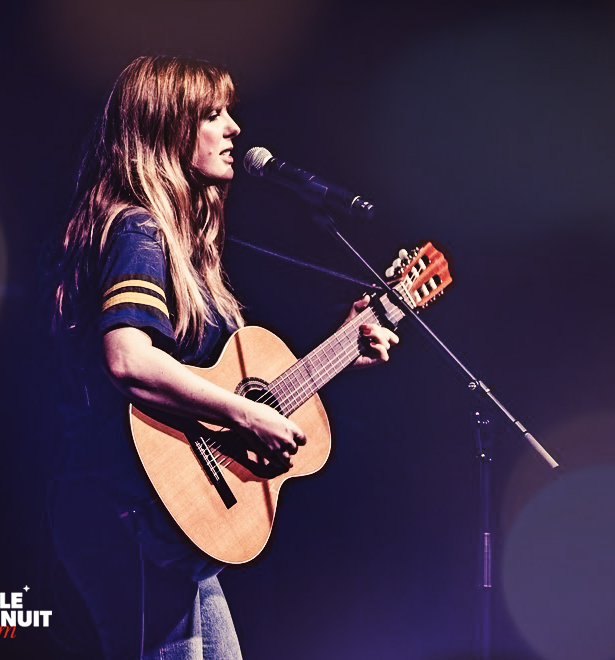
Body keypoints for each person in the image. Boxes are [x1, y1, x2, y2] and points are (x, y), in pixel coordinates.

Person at [49, 55, 397, 659]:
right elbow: (129, 359)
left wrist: (344, 348)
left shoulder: (185, 250)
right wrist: (245, 415)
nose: (235, 127)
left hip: (163, 520)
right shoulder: (139, 230)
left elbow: (227, 392)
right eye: (213, 115)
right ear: (166, 129)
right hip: (122, 510)